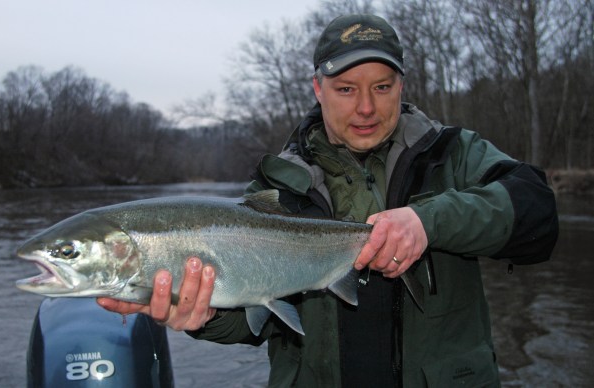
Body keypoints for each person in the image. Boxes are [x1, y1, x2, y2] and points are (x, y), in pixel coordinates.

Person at [98, 14, 558, 387]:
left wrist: (428, 221)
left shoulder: (453, 154)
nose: (365, 107)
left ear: (401, 86)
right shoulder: (276, 189)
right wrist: (201, 315)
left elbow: (538, 212)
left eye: (381, 87)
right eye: (345, 89)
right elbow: (257, 321)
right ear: (318, 89)